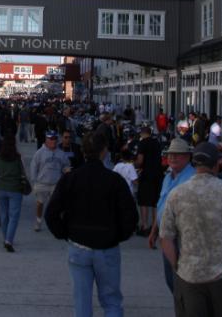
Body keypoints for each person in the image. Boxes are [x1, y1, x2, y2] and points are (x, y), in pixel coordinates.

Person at [45, 133, 138, 317]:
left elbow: (51, 213)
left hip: (79, 246)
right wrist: (117, 235)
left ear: (83, 151)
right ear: (104, 152)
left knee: (81, 302)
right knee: (111, 301)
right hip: (107, 247)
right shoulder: (114, 180)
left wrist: (65, 233)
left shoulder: (71, 179)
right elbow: (130, 216)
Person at [159, 142, 222, 317]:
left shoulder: (177, 194)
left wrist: (177, 267)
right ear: (217, 164)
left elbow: (165, 238)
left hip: (190, 276)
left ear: (194, 163)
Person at [149, 138, 196, 293]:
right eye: (170, 155)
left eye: (178, 155)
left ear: (188, 157)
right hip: (167, 236)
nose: (173, 158)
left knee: (182, 281)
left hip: (183, 236)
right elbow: (162, 205)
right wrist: (154, 230)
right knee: (171, 280)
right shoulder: (168, 177)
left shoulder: (192, 178)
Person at [30, 130, 70, 231]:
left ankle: (56, 223)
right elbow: (33, 167)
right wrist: (34, 182)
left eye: (55, 139)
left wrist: (66, 169)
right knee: (40, 203)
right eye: (51, 139)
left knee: (57, 204)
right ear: (46, 140)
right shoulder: (39, 153)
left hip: (56, 184)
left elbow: (66, 165)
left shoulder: (61, 154)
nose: (53, 141)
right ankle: (38, 222)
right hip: (41, 183)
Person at [0, 134, 24, 252]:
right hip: (15, 188)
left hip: (0, 187)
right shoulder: (18, 158)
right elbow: (22, 172)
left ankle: (6, 237)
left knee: (3, 214)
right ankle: (9, 240)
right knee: (14, 216)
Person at [135, 126, 163, 236]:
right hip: (158, 174)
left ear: (142, 133)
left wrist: (135, 164)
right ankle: (155, 226)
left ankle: (145, 225)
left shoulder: (142, 143)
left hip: (146, 174)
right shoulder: (157, 143)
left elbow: (140, 160)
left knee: (144, 201)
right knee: (155, 201)